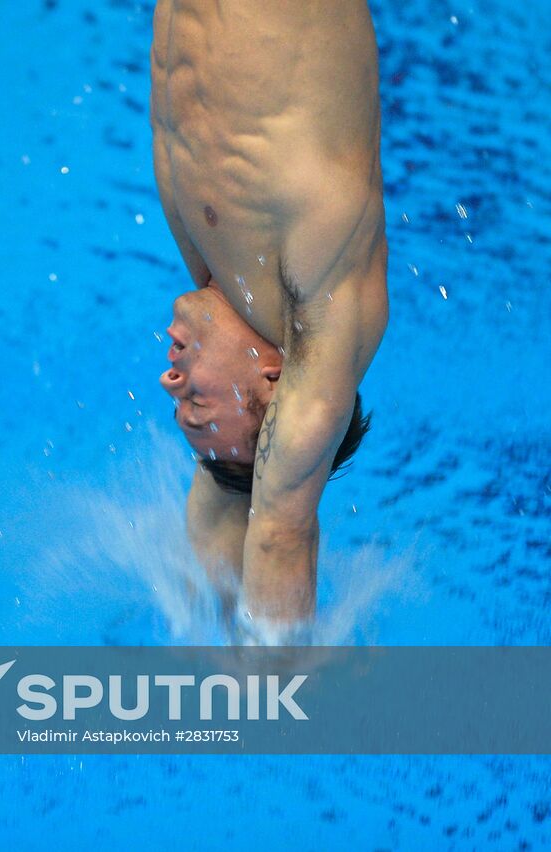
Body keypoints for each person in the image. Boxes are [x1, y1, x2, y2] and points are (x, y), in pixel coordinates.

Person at [150, 0, 389, 642]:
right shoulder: (324, 298)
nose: (173, 385)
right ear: (274, 385)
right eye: (198, 404)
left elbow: (222, 508)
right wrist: (266, 705)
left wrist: (198, 644)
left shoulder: (225, 276)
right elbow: (281, 527)